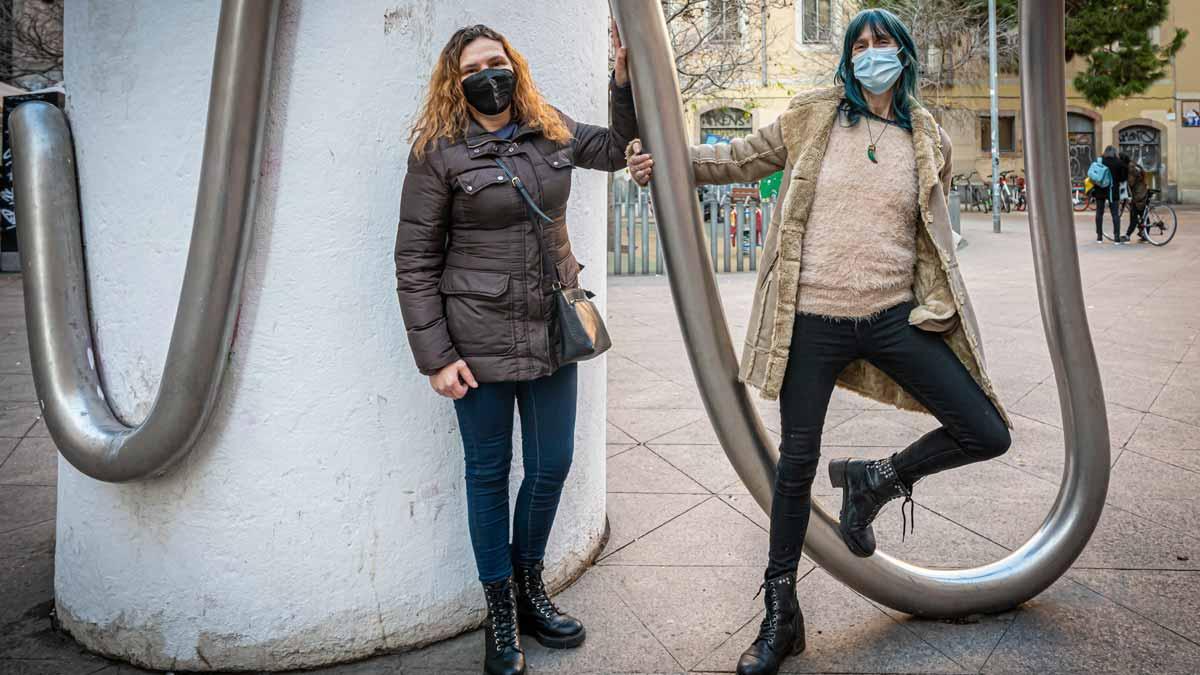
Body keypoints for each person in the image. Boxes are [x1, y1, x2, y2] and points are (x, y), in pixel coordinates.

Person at [626, 9, 1010, 675]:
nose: (870, 53)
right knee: (796, 464)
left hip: (892, 317)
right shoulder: (816, 115)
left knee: (985, 428)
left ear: (902, 52)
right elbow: (740, 158)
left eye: (881, 41)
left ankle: (875, 480)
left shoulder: (928, 137)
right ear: (847, 57)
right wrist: (668, 161)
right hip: (811, 321)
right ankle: (781, 609)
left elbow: (932, 234)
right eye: (859, 44)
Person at [395, 23, 637, 675]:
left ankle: (531, 586)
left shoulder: (548, 128)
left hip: (552, 324)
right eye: (474, 67)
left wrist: (624, 80)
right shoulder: (439, 152)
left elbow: (616, 149)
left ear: (514, 66)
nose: (488, 74)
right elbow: (415, 260)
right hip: (475, 336)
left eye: (497, 61)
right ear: (457, 82)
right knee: (487, 473)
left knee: (553, 462)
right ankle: (500, 612)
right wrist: (436, 355)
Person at [1093, 145, 1126, 244]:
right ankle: (1116, 238)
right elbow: (1123, 178)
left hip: (1100, 189)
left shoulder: (1099, 161)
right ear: (1114, 152)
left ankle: (1099, 237)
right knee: (1115, 214)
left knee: (1099, 213)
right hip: (1113, 191)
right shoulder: (1119, 162)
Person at [1121, 153, 1150, 242]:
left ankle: (1128, 235)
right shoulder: (1133, 164)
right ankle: (1145, 235)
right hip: (1142, 191)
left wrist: (1123, 178)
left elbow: (1131, 182)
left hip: (1139, 194)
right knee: (1142, 215)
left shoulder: (1130, 168)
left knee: (1134, 215)